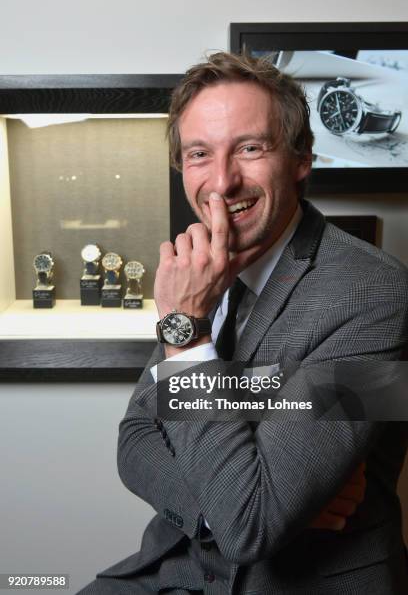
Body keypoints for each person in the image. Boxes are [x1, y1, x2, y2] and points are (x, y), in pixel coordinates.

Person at [79, 52, 408, 594]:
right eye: (199, 154)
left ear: (302, 158)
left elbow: (252, 522)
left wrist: (188, 330)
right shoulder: (199, 268)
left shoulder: (377, 292)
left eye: (251, 148)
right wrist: (221, 508)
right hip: (179, 567)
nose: (223, 181)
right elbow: (136, 439)